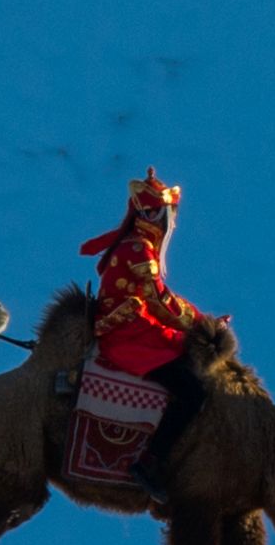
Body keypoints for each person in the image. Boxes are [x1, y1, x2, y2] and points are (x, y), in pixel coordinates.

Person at [75, 172, 219, 489]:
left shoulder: (137, 245)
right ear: (156, 214)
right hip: (128, 336)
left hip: (133, 329)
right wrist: (200, 324)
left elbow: (159, 298)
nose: (173, 224)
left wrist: (199, 319)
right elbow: (159, 298)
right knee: (192, 392)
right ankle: (149, 463)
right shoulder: (139, 249)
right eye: (170, 215)